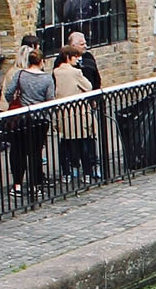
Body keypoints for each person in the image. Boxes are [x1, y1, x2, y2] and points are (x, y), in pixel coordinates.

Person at [5, 48, 55, 197]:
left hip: (21, 118)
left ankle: (17, 185)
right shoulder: (47, 78)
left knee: (17, 152)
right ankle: (35, 185)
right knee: (35, 153)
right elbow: (50, 99)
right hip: (39, 119)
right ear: (41, 61)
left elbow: (8, 93)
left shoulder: (20, 74)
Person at [53, 45, 95, 181]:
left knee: (65, 144)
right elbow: (88, 87)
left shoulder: (56, 72)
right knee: (83, 144)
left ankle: (66, 173)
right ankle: (87, 173)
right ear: (68, 57)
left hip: (63, 113)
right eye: (75, 57)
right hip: (77, 113)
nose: (77, 60)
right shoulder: (76, 73)